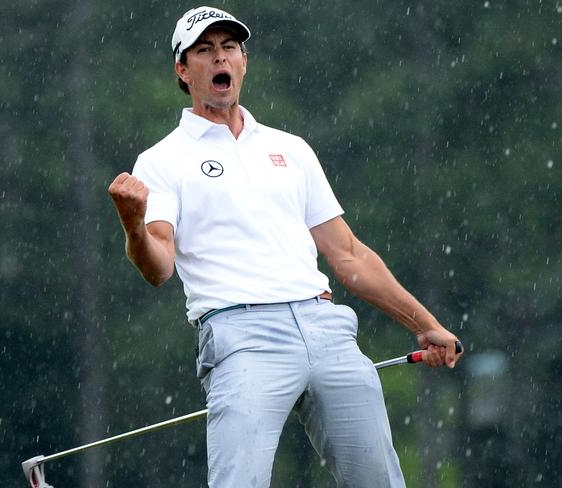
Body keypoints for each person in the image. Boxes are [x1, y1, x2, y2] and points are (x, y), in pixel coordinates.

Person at [108, 6, 463, 487]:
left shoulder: (290, 149)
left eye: (229, 48)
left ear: (244, 61)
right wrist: (133, 224)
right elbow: (159, 266)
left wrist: (425, 325)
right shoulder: (161, 160)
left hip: (326, 328)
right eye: (205, 50)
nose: (221, 59)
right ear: (182, 68)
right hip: (240, 335)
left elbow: (349, 256)